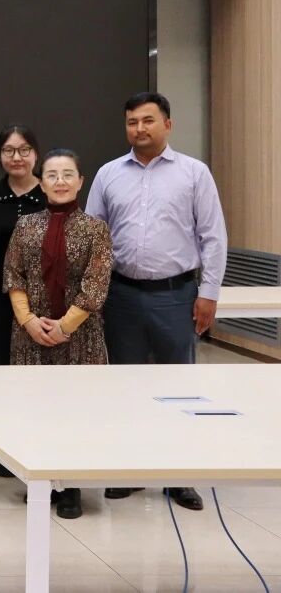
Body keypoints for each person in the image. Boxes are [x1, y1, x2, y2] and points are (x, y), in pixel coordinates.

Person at [86, 92, 227, 512]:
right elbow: (93, 237)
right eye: (132, 122)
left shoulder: (194, 173)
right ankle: (129, 472)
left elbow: (213, 236)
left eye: (148, 120)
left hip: (175, 295)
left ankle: (179, 477)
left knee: (179, 389)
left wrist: (209, 293)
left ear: (167, 124)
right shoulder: (109, 174)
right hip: (122, 295)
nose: (139, 128)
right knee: (125, 387)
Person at [3, 148, 113, 519]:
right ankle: (40, 481)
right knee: (35, 409)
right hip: (30, 335)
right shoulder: (25, 225)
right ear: (42, 182)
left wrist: (64, 326)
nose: (60, 181)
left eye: (68, 174)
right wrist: (29, 321)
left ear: (80, 181)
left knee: (75, 411)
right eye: (52, 175)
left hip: (80, 336)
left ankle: (72, 487)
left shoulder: (95, 228)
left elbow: (96, 284)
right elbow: (13, 276)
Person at [0, 125, 47, 479]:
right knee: (3, 374)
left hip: (44, 303)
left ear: (36, 153)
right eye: (9, 151)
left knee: (38, 377)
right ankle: (7, 449)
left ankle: (37, 444)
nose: (17, 157)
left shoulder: (51, 193)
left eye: (24, 150)